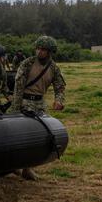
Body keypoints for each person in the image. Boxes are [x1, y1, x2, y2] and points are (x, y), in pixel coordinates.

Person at [11, 35, 66, 180]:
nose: (39, 52)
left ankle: (27, 168)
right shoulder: (27, 64)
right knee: (19, 136)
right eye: (38, 48)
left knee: (36, 138)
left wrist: (59, 100)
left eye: (43, 49)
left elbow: (60, 87)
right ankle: (14, 164)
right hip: (23, 102)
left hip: (39, 105)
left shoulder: (53, 67)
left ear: (50, 52)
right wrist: (16, 111)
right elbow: (18, 88)